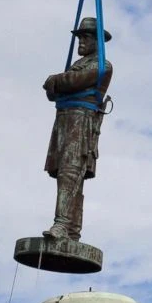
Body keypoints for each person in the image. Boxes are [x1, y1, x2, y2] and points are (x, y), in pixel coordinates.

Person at [41, 17, 113, 241]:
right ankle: (72, 230)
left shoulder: (102, 65)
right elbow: (54, 92)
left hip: (80, 121)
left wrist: (55, 80)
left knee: (70, 171)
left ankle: (62, 224)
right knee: (68, 173)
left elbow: (72, 82)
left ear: (97, 42)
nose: (81, 41)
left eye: (86, 37)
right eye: (80, 37)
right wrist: (58, 83)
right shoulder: (78, 64)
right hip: (65, 119)